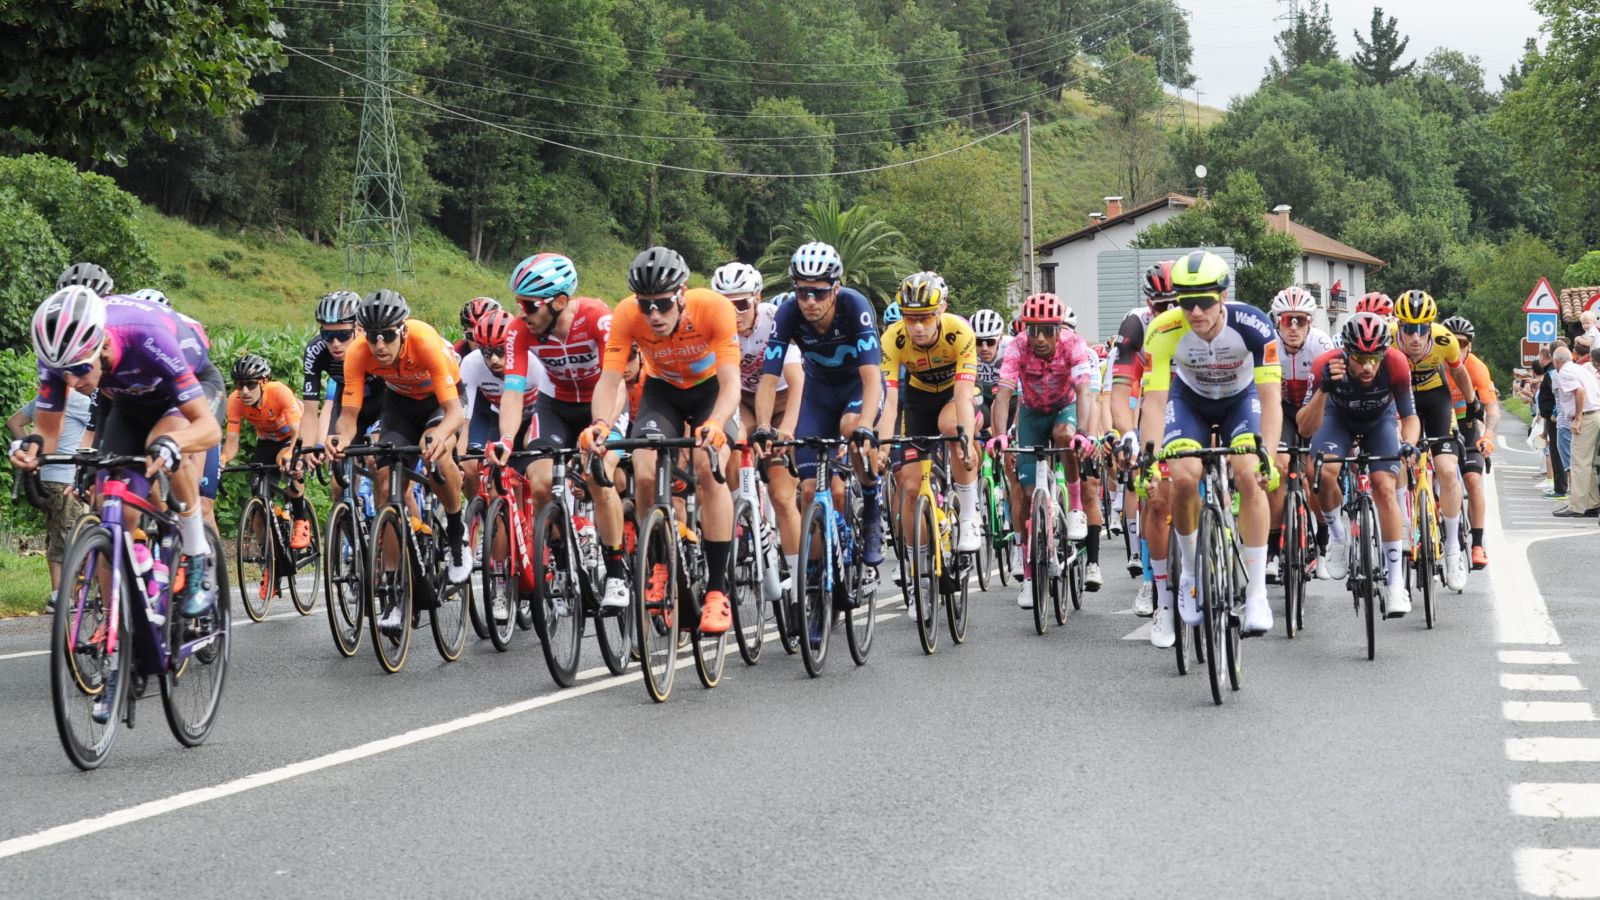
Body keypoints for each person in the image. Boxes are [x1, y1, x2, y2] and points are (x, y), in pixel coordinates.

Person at [12, 287, 224, 624]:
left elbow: (208, 429)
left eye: (79, 370)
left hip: (188, 385)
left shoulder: (146, 337)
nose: (71, 380)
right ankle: (143, 572)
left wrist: (174, 444)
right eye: (62, 372)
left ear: (104, 345)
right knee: (116, 501)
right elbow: (47, 433)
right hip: (132, 399)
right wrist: (30, 451)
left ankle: (197, 555)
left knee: (165, 440)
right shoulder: (62, 354)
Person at [585, 246, 742, 634]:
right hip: (664, 390)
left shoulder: (714, 308)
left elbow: (731, 382)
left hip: (710, 393)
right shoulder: (626, 315)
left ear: (682, 294)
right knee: (642, 468)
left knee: (708, 468)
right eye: (645, 305)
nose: (653, 315)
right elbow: (609, 379)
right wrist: (602, 424)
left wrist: (718, 422)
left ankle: (718, 592)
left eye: (663, 305)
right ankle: (658, 561)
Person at [1136, 251, 1282, 637]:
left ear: (1223, 296)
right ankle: (1188, 575)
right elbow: (1153, 401)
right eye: (1186, 302)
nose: (1195, 311)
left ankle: (1255, 593)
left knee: (1249, 474)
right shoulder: (1164, 330)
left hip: (1240, 399)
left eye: (1204, 301)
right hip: (1190, 402)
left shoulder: (1254, 324)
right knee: (1183, 477)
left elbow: (1270, 399)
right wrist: (1148, 459)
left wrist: (1267, 452)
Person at [491, 252, 631, 610]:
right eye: (517, 303)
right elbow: (512, 390)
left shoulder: (597, 317)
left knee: (599, 476)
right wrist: (507, 439)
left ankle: (616, 572)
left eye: (528, 304)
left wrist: (601, 426)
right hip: (557, 406)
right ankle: (564, 565)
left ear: (560, 302)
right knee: (539, 481)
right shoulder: (520, 331)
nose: (521, 312)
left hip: (604, 402)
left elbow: (615, 384)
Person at [327, 289, 472, 632]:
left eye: (388, 336)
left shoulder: (424, 342)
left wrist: (439, 435)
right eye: (374, 336)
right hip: (401, 405)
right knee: (385, 477)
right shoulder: (358, 354)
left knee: (436, 452)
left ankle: (455, 531)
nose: (380, 345)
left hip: (442, 401)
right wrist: (339, 439)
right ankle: (393, 593)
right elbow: (349, 415)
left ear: (402, 330)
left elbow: (453, 411)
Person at [753, 242, 884, 567]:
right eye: (802, 292)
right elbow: (768, 379)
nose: (810, 301)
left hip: (856, 387)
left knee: (851, 429)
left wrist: (867, 425)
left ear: (836, 289)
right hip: (818, 394)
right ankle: (815, 585)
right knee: (809, 491)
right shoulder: (787, 313)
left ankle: (870, 507)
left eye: (820, 293)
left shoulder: (855, 306)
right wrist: (763, 427)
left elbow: (871, 379)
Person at [1297, 313, 1420, 614]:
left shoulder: (1396, 363)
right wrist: (1324, 389)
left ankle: (1395, 584)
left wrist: (1409, 444)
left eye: (1374, 357)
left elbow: (1411, 416)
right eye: (1360, 358)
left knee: (1384, 487)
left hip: (1380, 421)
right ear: (1346, 353)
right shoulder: (1324, 364)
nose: (1368, 366)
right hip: (1337, 419)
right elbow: (1304, 427)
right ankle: (1338, 536)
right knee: (1321, 471)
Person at [988, 292, 1097, 608]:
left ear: (1059, 328)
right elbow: (1004, 394)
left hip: (1065, 408)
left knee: (1066, 434)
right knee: (1024, 492)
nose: (1039, 338)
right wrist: (999, 436)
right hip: (1032, 414)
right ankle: (1028, 572)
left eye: (1047, 330)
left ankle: (1074, 506)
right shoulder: (1017, 347)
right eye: (1033, 329)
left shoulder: (1073, 343)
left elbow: (1085, 392)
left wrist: (1085, 435)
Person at [875, 271, 981, 556]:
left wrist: (966, 439)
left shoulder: (959, 332)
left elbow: (963, 393)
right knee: (909, 486)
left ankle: (970, 515)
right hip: (918, 397)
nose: (917, 327)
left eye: (925, 318)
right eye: (910, 318)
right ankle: (918, 566)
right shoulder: (893, 338)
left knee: (952, 429)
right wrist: (883, 448)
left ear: (942, 309)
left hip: (953, 394)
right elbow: (890, 399)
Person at [714, 261, 804, 593]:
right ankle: (749, 519)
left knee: (782, 495)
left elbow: (796, 382)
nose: (734, 312)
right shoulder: (715, 327)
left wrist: (788, 429)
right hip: (742, 399)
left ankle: (797, 583)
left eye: (741, 303)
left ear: (757, 298)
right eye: (725, 304)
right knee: (735, 440)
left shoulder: (774, 320)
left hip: (782, 400)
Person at [1392, 289, 1478, 591]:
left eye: (1421, 329)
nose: (1415, 337)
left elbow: (1460, 372)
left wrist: (1471, 403)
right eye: (1408, 329)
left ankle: (1453, 548)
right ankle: (1403, 522)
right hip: (1402, 400)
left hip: (1435, 399)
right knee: (1398, 457)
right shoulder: (1386, 339)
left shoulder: (1444, 340)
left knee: (1445, 467)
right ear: (1398, 326)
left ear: (1431, 327)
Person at [1111, 261, 1178, 640]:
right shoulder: (1136, 325)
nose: (1168, 314)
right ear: (1147, 303)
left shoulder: (1199, 319)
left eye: (1175, 304)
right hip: (1150, 402)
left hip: (1192, 401)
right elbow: (1121, 394)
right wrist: (1127, 434)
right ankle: (1156, 586)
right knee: (1154, 498)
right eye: (1160, 306)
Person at [1267, 286, 1334, 583]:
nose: (1293, 327)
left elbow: (1332, 392)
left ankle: (1322, 540)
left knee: (1311, 470)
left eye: (1301, 320)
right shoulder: (1268, 345)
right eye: (1286, 320)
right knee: (1278, 467)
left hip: (1313, 408)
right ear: (1277, 322)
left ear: (1311, 323)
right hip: (1281, 409)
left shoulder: (1322, 344)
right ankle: (1273, 550)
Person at [7, 385, 92, 611]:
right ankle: (60, 597)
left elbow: (13, 422)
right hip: (66, 478)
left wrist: (31, 454)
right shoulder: (79, 401)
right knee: (66, 535)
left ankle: (64, 594)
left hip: (44, 476)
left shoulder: (43, 399)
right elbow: (98, 427)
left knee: (56, 533)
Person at [220, 355, 312, 549]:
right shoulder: (235, 401)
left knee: (288, 464)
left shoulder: (279, 392)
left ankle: (301, 520)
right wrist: (222, 460)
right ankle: (268, 558)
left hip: (294, 435)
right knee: (258, 492)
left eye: (251, 384)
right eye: (239, 384)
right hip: (267, 440)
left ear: (263, 382)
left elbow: (297, 433)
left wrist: (289, 455)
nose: (244, 391)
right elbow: (232, 441)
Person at [1442, 316, 1499, 566]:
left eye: (1462, 342)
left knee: (1473, 482)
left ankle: (1477, 544)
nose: (1456, 346)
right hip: (1439, 425)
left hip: (1466, 427)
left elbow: (1492, 407)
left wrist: (1488, 435)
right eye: (1451, 341)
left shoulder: (1476, 367)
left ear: (1470, 346)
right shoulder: (1432, 364)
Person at [1552, 344, 1600, 517]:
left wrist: (1578, 418)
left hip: (1586, 417)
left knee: (1578, 462)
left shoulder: (1564, 372)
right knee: (1589, 462)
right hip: (1595, 413)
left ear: (1555, 361)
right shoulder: (1579, 369)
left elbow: (1579, 392)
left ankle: (1577, 505)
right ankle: (1592, 503)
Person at [970, 308, 1010, 429]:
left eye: (990, 342)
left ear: (1000, 338)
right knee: (967, 416)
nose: (984, 348)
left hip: (1006, 397)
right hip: (982, 397)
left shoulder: (1010, 347)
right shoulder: (966, 348)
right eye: (978, 342)